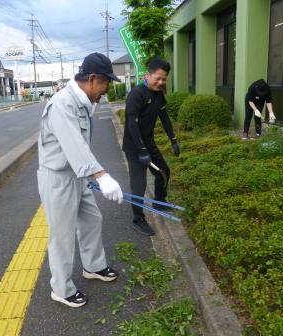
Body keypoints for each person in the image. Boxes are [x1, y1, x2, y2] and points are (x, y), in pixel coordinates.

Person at [37, 52, 123, 308]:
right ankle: (61, 289)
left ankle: (93, 266)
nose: (106, 90)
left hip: (77, 175)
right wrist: (102, 175)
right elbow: (74, 144)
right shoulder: (63, 103)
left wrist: (92, 174)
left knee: (92, 219)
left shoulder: (83, 101)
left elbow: (80, 147)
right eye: (106, 83)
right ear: (93, 79)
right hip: (59, 178)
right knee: (62, 235)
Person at [122, 57, 180, 236]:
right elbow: (131, 123)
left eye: (164, 79)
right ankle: (138, 219)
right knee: (138, 185)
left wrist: (174, 139)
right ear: (148, 75)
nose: (161, 82)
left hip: (149, 143)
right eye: (158, 78)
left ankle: (159, 202)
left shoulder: (159, 94)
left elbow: (164, 118)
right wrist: (141, 151)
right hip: (134, 147)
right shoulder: (136, 95)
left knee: (164, 172)